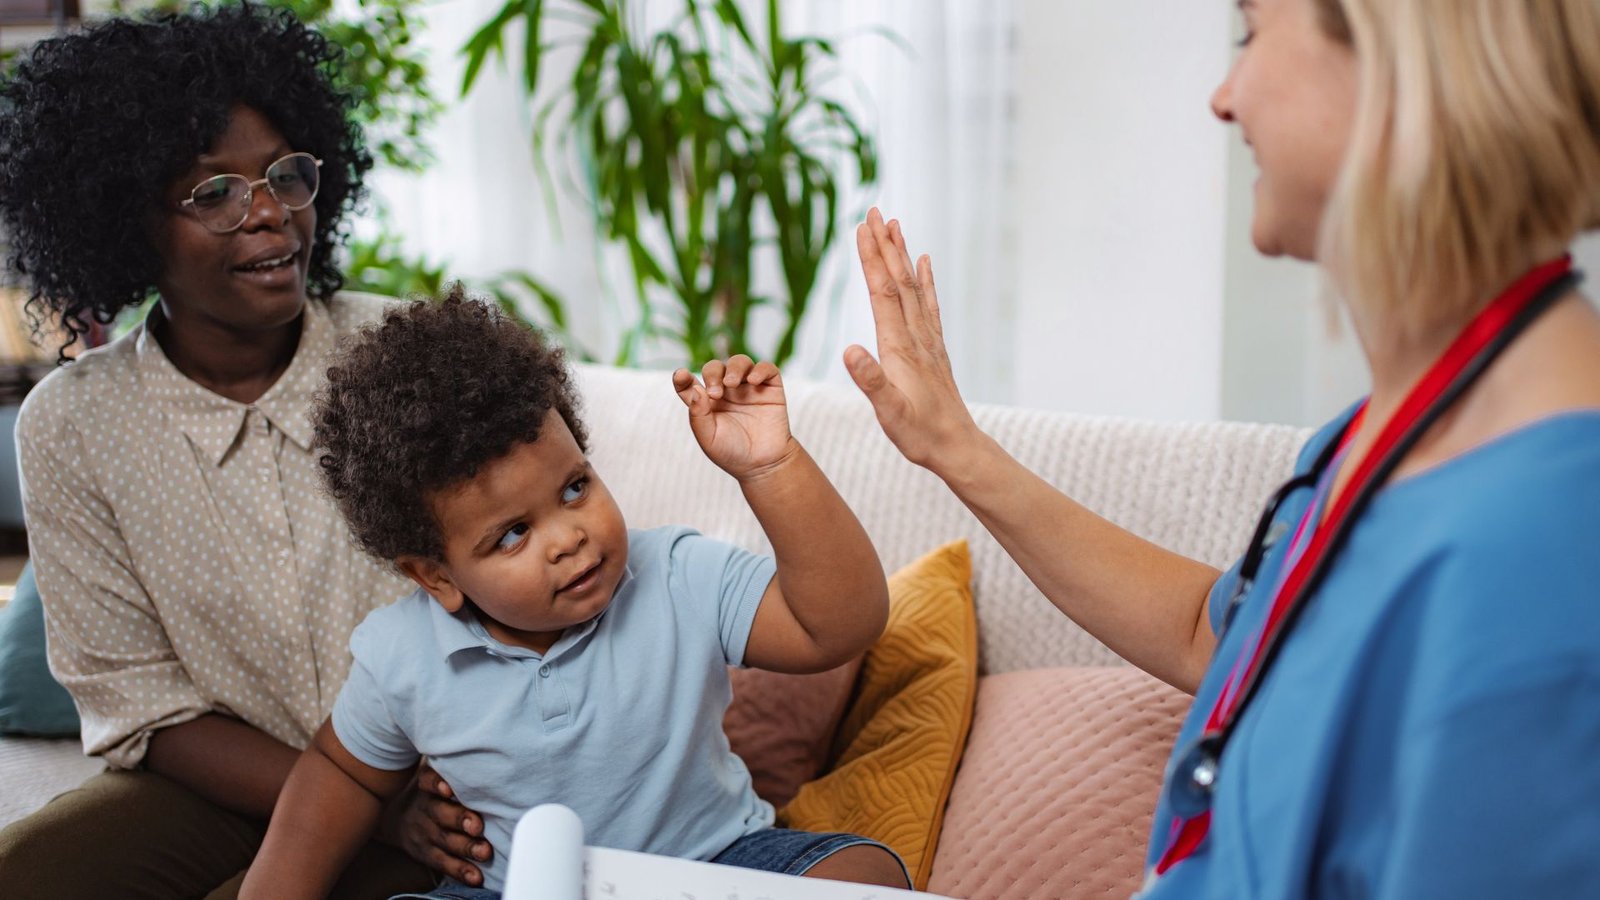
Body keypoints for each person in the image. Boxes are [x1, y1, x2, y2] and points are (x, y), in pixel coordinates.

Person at [846, 0, 1600, 896]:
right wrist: (955, 447)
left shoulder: (1546, 545)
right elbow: (1210, 635)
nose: (1222, 97)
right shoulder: (1378, 442)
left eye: (1250, 33)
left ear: (1398, 60)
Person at [0, 6, 487, 896]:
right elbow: (144, 702)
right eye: (212, 193)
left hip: (442, 781)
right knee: (28, 874)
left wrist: (394, 803)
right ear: (124, 222)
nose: (267, 214)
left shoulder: (401, 354)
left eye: (282, 176)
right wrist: (361, 809)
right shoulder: (71, 427)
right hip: (221, 786)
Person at [236, 292, 908, 899]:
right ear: (435, 576)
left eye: (574, 489)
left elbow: (840, 626)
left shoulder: (677, 574)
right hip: (512, 891)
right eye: (513, 535)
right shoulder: (401, 657)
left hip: (719, 866)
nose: (568, 538)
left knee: (865, 873)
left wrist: (771, 466)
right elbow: (342, 775)